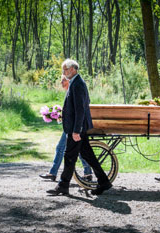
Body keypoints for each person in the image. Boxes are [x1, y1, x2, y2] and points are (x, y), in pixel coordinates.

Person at [47, 59, 113, 196]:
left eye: (65, 70)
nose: (63, 73)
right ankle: (104, 181)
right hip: (77, 128)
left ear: (72, 69)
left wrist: (76, 130)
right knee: (88, 156)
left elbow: (80, 110)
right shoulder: (75, 83)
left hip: (77, 129)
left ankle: (63, 185)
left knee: (69, 156)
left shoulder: (78, 84)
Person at [39, 76, 93, 182]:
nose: (61, 82)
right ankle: (87, 173)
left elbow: (78, 109)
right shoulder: (72, 90)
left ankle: (53, 173)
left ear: (69, 80)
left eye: (63, 80)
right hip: (73, 125)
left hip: (74, 127)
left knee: (61, 148)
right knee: (73, 149)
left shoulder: (75, 89)